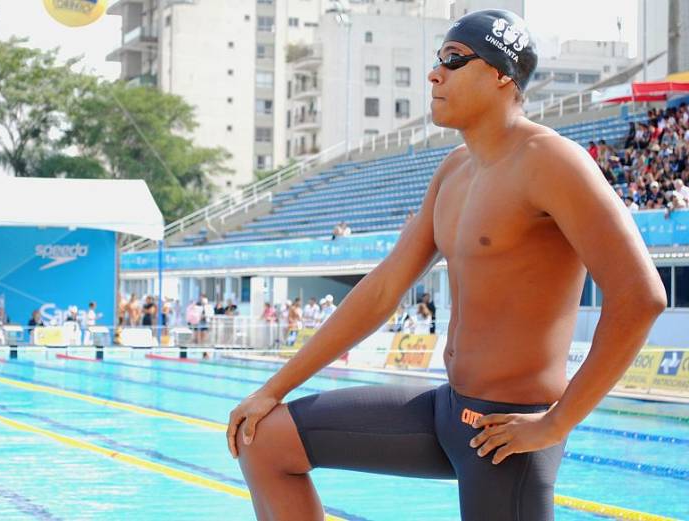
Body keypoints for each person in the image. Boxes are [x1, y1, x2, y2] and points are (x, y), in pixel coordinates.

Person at [227, 10, 667, 521]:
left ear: (502, 74)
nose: (434, 74)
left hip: (507, 435)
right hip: (446, 409)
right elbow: (383, 288)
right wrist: (271, 390)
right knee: (264, 440)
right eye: (437, 61)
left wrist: (556, 424)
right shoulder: (454, 171)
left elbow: (641, 297)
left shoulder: (553, 162)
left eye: (453, 61)